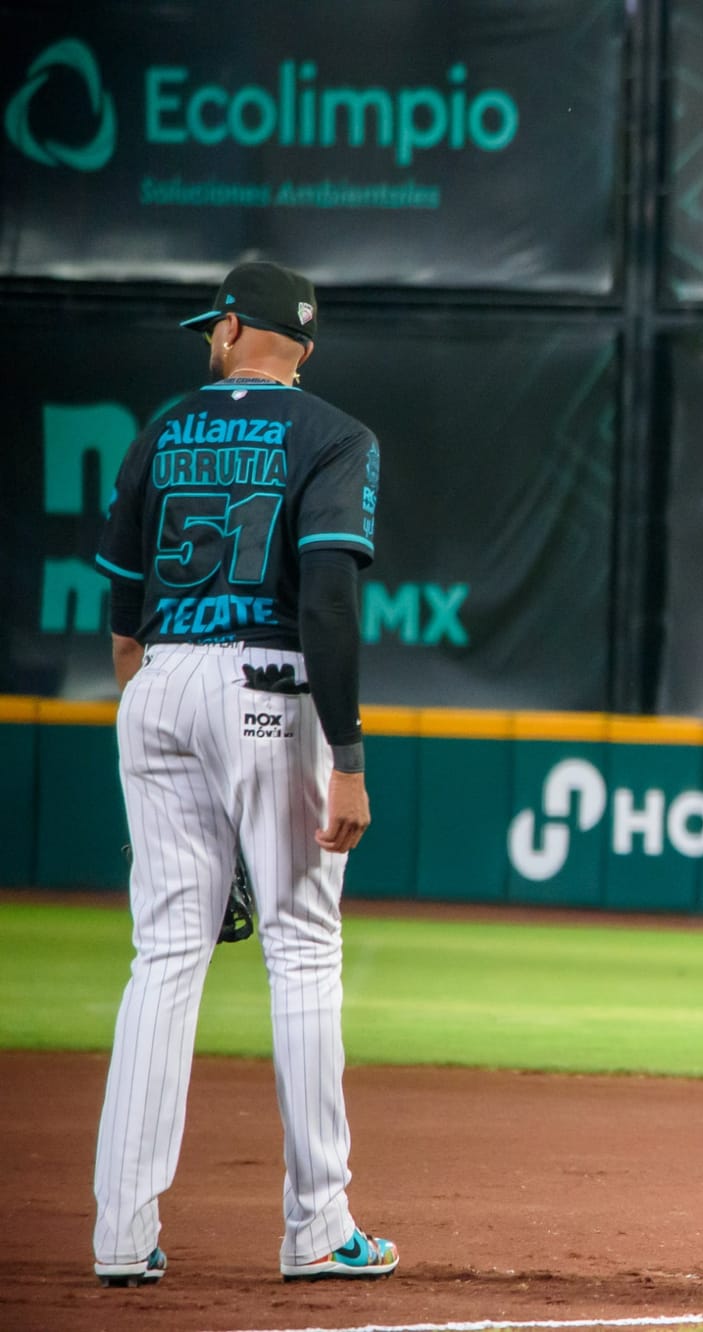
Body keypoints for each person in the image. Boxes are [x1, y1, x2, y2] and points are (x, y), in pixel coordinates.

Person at [90, 262, 398, 1286]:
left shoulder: (162, 429)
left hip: (159, 685)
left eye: (209, 326)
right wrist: (344, 759)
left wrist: (152, 725)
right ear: (300, 345)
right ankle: (318, 1228)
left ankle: (120, 1235)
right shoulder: (334, 435)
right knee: (302, 949)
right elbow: (327, 602)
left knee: (164, 957)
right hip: (271, 687)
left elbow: (125, 615)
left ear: (231, 326)